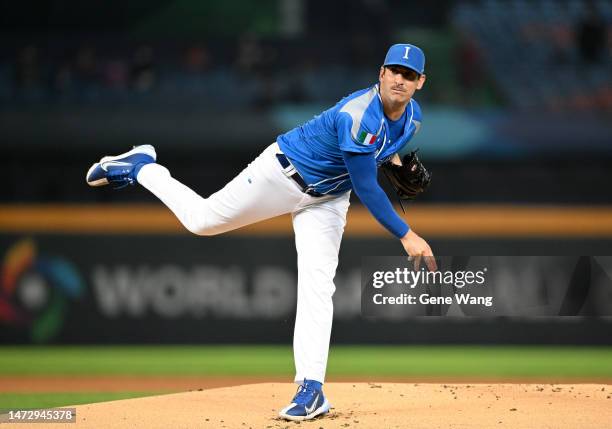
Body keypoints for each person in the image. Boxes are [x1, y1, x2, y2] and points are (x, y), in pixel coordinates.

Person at [86, 43, 436, 421]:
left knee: (319, 285)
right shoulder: (358, 114)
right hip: (283, 173)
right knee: (203, 221)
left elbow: (380, 151)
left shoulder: (412, 117)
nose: (400, 80)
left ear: (420, 82)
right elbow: (367, 186)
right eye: (394, 71)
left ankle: (311, 389)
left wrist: (395, 161)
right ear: (381, 73)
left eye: (409, 75)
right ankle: (142, 167)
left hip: (329, 199)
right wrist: (406, 234)